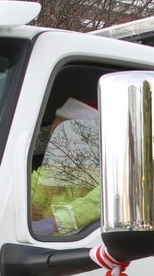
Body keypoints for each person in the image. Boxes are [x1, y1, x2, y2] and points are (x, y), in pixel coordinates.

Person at [30, 97, 102, 237]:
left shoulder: (107, 175)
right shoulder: (53, 171)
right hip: (45, 248)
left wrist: (54, 222)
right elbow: (29, 190)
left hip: (82, 251)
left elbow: (94, 204)